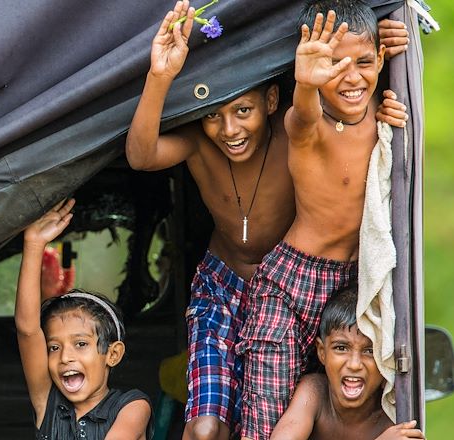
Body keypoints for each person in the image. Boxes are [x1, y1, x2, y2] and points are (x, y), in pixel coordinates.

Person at [125, 2, 408, 439]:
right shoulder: (297, 124)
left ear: (268, 102)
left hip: (346, 281)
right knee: (238, 421)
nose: (230, 129)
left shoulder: (365, 113)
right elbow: (142, 156)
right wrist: (160, 76)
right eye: (214, 116)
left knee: (323, 401)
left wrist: (391, 47)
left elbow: (353, 79)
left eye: (243, 111)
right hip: (264, 283)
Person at [237, 2, 399, 439]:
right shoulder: (307, 125)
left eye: (363, 62)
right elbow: (302, 114)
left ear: (381, 60)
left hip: (353, 279)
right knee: (266, 409)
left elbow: (369, 69)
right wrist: (306, 85)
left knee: (359, 384)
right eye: (333, 65)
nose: (349, 77)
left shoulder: (385, 118)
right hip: (290, 282)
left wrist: (396, 46)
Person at [15, 199, 153, 439]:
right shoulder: (48, 405)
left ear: (113, 354)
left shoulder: (133, 406)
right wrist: (34, 244)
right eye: (54, 347)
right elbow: (28, 330)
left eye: (80, 344)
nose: (65, 357)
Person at [270, 287, 425, 440]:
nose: (354, 364)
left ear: (386, 359)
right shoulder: (315, 392)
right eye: (341, 348)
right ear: (322, 352)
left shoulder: (393, 415)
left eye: (370, 351)